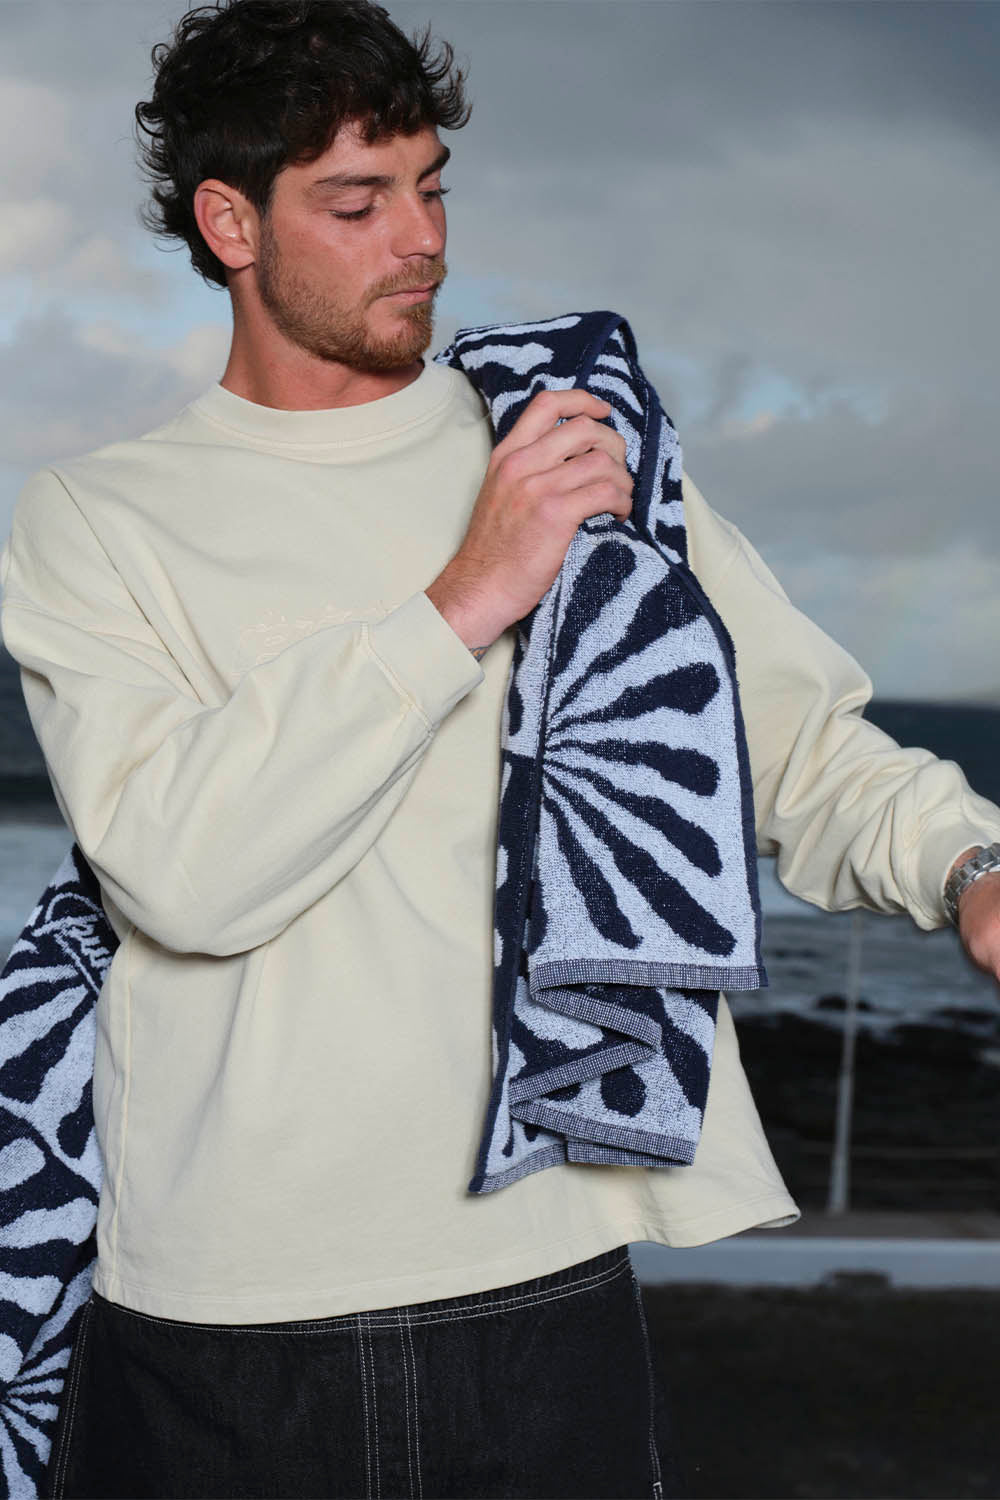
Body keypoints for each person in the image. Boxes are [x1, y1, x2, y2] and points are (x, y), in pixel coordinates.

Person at [2, 2, 999, 1496]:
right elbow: (180, 875)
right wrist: (468, 595)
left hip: (546, 1270)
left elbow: (786, 743)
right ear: (230, 223)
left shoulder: (569, 437)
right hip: (225, 1311)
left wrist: (970, 865)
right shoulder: (97, 519)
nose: (422, 240)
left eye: (432, 185)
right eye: (358, 202)